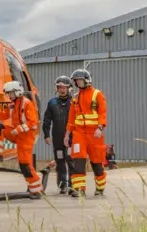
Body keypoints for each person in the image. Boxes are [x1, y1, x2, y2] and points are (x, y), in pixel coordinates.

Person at [0, 81, 43, 200]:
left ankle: (37, 190)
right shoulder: (13, 105)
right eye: (8, 94)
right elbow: (1, 115)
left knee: (25, 165)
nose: (9, 96)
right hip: (17, 134)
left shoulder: (27, 103)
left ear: (17, 91)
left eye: (11, 93)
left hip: (26, 137)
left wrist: (18, 129)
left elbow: (33, 122)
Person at [63, 69, 107, 197]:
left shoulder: (97, 94)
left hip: (94, 134)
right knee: (78, 162)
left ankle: (100, 189)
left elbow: (102, 113)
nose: (77, 83)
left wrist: (100, 128)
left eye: (80, 80)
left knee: (97, 163)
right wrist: (67, 135)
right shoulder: (75, 97)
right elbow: (71, 118)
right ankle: (79, 189)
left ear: (87, 80)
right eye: (76, 81)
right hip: (79, 134)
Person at [42, 75, 75, 195]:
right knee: (60, 161)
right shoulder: (52, 103)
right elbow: (47, 120)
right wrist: (46, 135)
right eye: (59, 87)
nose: (62, 89)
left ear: (69, 88)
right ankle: (62, 185)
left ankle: (73, 185)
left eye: (64, 87)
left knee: (71, 161)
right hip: (57, 139)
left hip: (72, 138)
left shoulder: (74, 102)